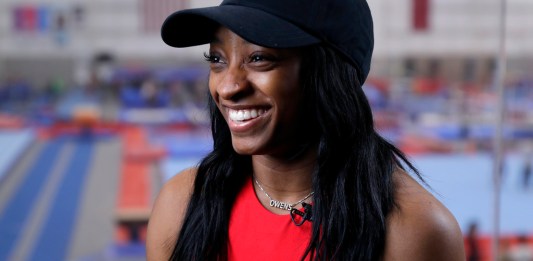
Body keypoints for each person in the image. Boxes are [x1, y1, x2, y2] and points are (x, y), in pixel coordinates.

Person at [147, 0, 466, 260]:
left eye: (259, 58)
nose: (228, 86)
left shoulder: (412, 232)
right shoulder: (182, 205)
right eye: (216, 59)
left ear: (330, 76)